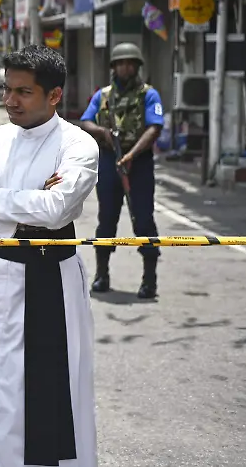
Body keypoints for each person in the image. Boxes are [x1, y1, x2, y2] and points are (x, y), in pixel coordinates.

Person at [0, 44, 99, 467]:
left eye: (23, 92)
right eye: (6, 88)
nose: (9, 100)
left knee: (49, 392)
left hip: (50, 279)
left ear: (54, 95)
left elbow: (56, 212)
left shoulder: (78, 145)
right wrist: (24, 207)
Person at [80, 42, 165, 299]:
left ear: (137, 66)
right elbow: (85, 121)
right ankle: (102, 274)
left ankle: (149, 279)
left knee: (143, 219)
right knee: (107, 219)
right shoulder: (103, 95)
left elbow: (154, 128)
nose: (125, 67)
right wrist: (103, 133)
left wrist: (132, 154)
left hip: (138, 163)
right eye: (121, 63)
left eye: (130, 63)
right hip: (109, 160)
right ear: (114, 67)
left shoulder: (149, 94)